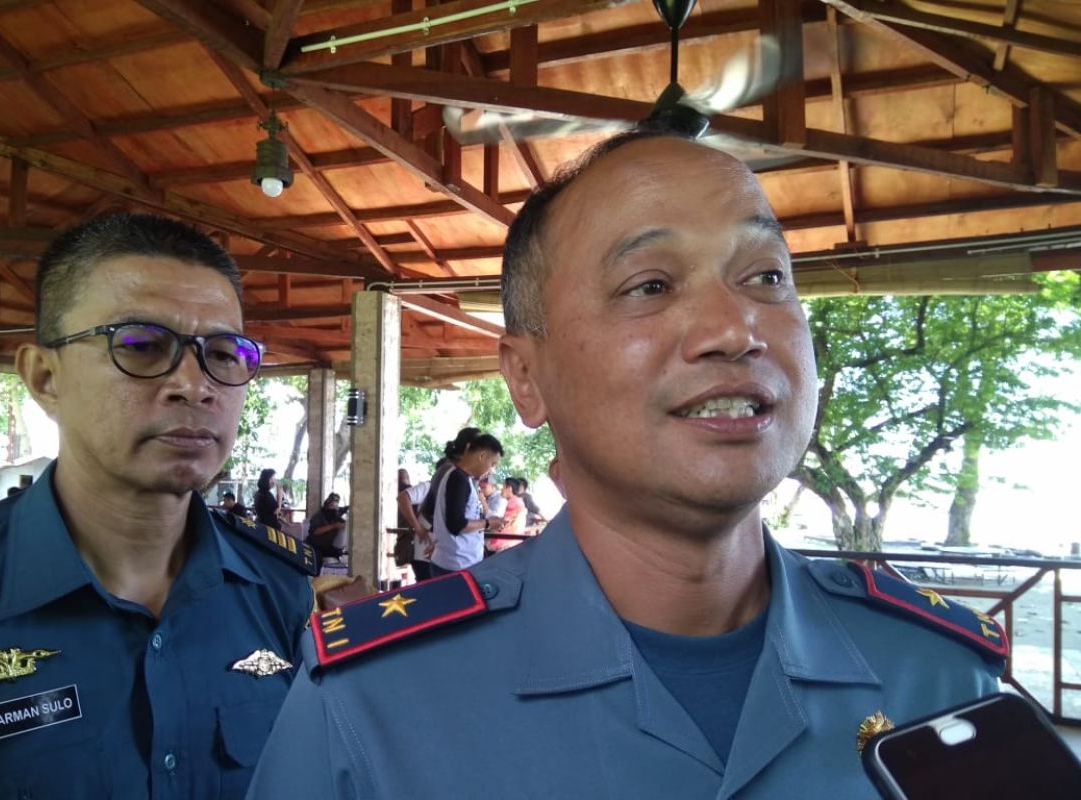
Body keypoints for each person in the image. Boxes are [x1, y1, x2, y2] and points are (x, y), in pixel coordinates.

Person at [247, 127, 1008, 798]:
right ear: (525, 377)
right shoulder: (374, 701)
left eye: (766, 276)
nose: (733, 327)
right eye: (650, 285)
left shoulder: (942, 679)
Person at [0, 213, 317, 800]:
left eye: (224, 352)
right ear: (44, 377)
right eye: (140, 344)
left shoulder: (278, 592)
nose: (196, 384)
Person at [419, 431, 503, 576]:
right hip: (457, 565)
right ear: (481, 456)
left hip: (457, 561)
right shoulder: (458, 479)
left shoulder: (463, 478)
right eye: (492, 464)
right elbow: (456, 524)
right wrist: (488, 523)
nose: (491, 470)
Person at [306, 493, 346, 562]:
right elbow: (315, 531)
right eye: (331, 504)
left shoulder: (336, 514)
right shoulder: (319, 515)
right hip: (314, 546)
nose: (334, 507)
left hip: (327, 546)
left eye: (336, 504)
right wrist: (333, 526)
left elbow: (345, 509)